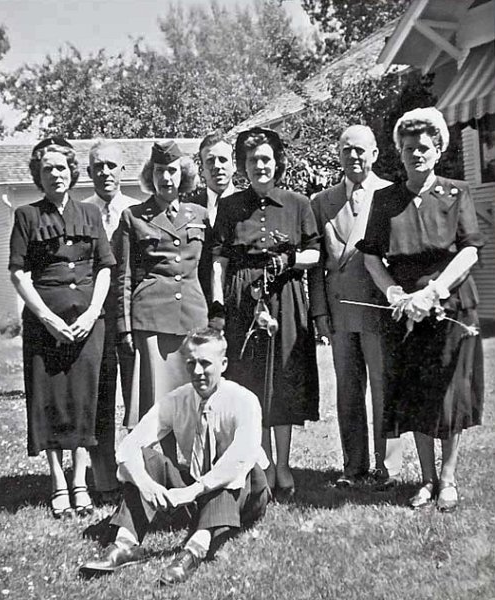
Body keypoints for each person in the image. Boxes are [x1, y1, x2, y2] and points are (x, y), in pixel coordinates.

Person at [357, 107, 484, 512]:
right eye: (409, 147)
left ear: (438, 150)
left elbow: (469, 251)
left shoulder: (455, 192)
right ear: (399, 151)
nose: (416, 154)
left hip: (451, 305)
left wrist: (436, 291)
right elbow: (371, 257)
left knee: (449, 392)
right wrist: (394, 293)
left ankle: (447, 478)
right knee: (415, 393)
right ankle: (426, 479)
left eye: (424, 147)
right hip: (406, 309)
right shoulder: (386, 200)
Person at [79, 328, 270, 585]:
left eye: (206, 363)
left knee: (233, 473)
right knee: (146, 459)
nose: (198, 371)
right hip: (197, 487)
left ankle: (193, 551)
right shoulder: (178, 399)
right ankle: (125, 544)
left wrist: (193, 491)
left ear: (223, 364)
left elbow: (240, 458)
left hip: (245, 492)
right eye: (191, 363)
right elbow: (128, 448)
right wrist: (146, 484)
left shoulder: (244, 400)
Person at [211, 127, 320, 499]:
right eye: (252, 160)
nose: (260, 166)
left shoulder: (297, 203)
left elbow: (315, 253)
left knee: (284, 380)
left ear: (277, 163)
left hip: (285, 297)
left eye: (266, 159)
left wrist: (290, 258)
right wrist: (219, 306)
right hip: (243, 300)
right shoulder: (229, 207)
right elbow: (219, 261)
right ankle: (264, 465)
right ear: (243, 166)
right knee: (251, 382)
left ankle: (285, 466)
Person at [9, 137, 115, 518]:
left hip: (89, 324)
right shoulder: (27, 216)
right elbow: (18, 273)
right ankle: (57, 483)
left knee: (85, 401)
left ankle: (81, 482)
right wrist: (47, 319)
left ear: (73, 172)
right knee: (50, 400)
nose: (56, 174)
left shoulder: (90, 213)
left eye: (62, 167)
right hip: (45, 327)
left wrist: (91, 314)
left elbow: (105, 266)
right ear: (38, 174)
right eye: (48, 168)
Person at [309, 125, 404, 489]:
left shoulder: (390, 195)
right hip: (338, 311)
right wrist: (319, 313)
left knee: (383, 388)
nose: (354, 157)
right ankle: (354, 467)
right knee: (348, 391)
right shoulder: (322, 201)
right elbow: (318, 265)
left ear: (376, 154)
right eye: (347, 150)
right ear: (338, 154)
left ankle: (387, 467)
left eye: (361, 150)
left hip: (378, 308)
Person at [114, 140, 208, 431]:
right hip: (152, 320)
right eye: (159, 171)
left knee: (197, 400)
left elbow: (207, 273)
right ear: (149, 176)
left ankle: (198, 470)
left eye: (172, 171)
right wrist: (125, 326)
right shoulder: (133, 216)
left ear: (184, 175)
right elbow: (124, 276)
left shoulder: (200, 215)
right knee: (154, 403)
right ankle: (158, 471)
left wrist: (214, 318)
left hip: (193, 318)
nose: (166, 178)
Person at [83, 140, 138, 503]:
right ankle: (103, 476)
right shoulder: (80, 212)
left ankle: (137, 471)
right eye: (98, 166)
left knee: (137, 397)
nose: (105, 173)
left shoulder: (136, 211)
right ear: (88, 173)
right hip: (95, 318)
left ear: (123, 171)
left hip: (133, 316)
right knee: (100, 396)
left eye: (112, 166)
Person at [188, 131, 237, 303]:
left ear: (234, 165)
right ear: (202, 169)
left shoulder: (249, 205)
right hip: (199, 302)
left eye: (223, 159)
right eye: (210, 161)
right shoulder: (188, 209)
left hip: (239, 301)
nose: (217, 166)